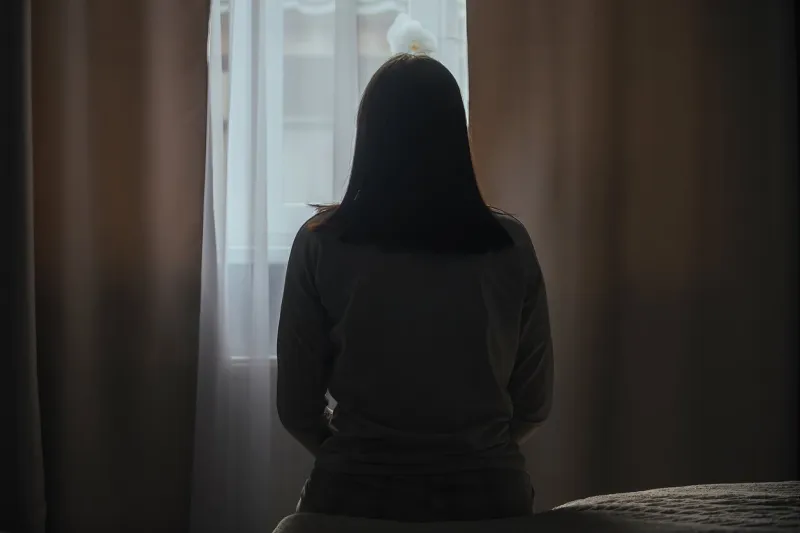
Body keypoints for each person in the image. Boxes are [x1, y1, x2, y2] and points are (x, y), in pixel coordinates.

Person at [276, 53, 553, 522]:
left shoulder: (321, 243)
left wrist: (362, 461)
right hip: (488, 494)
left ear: (369, 136)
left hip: (354, 493)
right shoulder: (508, 244)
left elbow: (296, 408)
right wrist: (471, 456)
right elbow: (534, 404)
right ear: (456, 135)